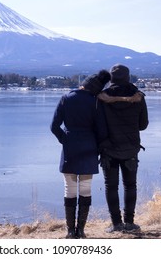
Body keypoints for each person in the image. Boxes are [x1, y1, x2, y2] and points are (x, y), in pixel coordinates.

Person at [50, 70, 110, 238]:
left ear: (83, 84)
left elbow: (54, 127)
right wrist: (97, 147)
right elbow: (102, 131)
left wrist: (66, 139)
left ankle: (70, 231)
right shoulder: (95, 102)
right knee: (85, 189)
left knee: (70, 189)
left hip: (70, 148)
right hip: (90, 148)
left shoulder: (66, 98)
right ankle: (81, 231)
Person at [98, 64, 149, 233]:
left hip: (108, 149)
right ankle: (129, 222)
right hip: (130, 148)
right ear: (128, 77)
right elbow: (143, 125)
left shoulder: (102, 98)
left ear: (112, 78)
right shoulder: (138, 97)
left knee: (111, 187)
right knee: (130, 186)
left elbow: (97, 124)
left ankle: (116, 224)